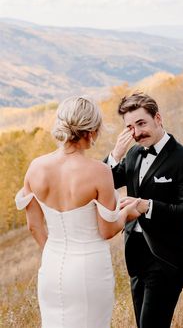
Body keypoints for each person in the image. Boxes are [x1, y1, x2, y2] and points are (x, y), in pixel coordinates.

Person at [15, 95, 143, 328]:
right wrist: (127, 213)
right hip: (89, 268)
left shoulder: (36, 168)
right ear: (91, 131)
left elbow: (34, 226)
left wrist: (55, 252)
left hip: (51, 267)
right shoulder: (99, 172)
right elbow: (106, 230)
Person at [106, 92, 183, 328]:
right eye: (130, 127)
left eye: (141, 123)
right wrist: (115, 156)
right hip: (135, 256)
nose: (137, 132)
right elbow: (102, 183)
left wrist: (146, 206)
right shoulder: (132, 154)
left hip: (166, 259)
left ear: (158, 118)